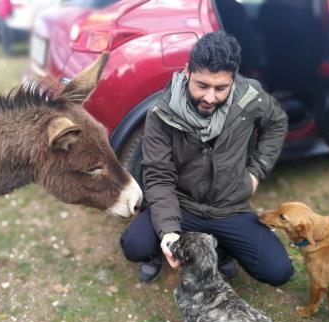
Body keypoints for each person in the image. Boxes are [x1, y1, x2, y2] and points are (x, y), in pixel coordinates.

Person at [120, 31, 293, 285]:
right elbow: (158, 177)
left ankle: (221, 248)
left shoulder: (249, 97)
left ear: (233, 79)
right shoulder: (161, 113)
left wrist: (257, 171)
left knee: (278, 271)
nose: (210, 98)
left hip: (228, 207)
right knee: (134, 245)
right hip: (182, 204)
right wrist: (168, 232)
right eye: (202, 86)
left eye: (221, 88)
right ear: (188, 71)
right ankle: (158, 251)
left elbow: (277, 123)